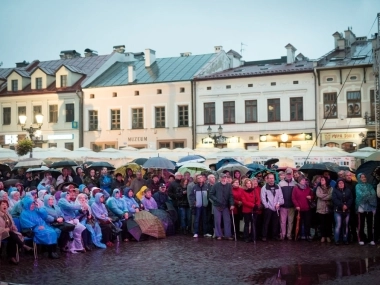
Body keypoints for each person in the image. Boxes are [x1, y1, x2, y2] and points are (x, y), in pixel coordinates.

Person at [0, 199, 33, 265]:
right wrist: (5, 229)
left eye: (6, 205)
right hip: (1, 234)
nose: (5, 206)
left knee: (12, 238)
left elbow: (12, 224)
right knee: (12, 235)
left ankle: (12, 257)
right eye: (3, 204)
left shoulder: (8, 214)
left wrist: (13, 227)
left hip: (9, 234)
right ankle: (23, 246)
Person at [209, 173, 234, 240]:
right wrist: (216, 200)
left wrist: (232, 204)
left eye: (225, 177)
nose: (224, 179)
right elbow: (211, 194)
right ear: (220, 178)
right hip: (217, 205)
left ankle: (228, 235)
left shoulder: (229, 186)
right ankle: (218, 235)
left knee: (227, 221)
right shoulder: (215, 185)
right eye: (222, 178)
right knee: (217, 221)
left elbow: (231, 196)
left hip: (225, 206)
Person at [261, 173, 284, 241]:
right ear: (267, 179)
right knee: (266, 222)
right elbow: (263, 199)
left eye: (272, 178)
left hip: (276, 207)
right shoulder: (264, 188)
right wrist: (267, 206)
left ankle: (275, 235)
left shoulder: (278, 187)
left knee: (275, 223)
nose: (271, 180)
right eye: (270, 178)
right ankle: (264, 236)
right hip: (268, 208)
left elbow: (281, 197)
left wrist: (278, 203)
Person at [356, 173, 377, 245]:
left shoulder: (369, 186)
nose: (364, 178)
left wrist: (366, 195)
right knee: (361, 224)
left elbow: (373, 194)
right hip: (361, 208)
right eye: (362, 177)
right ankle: (361, 239)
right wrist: (368, 194)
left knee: (370, 224)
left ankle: (370, 239)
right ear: (359, 178)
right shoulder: (357, 186)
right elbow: (360, 195)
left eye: (364, 177)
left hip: (370, 207)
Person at [292, 175, 314, 241]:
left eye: (304, 180)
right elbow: (293, 198)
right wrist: (297, 205)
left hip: (307, 208)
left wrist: (311, 197)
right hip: (299, 208)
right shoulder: (296, 188)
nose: (304, 181)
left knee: (307, 222)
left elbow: (312, 195)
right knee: (299, 222)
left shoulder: (308, 188)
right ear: (299, 181)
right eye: (302, 180)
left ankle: (307, 235)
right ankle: (298, 235)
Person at [332, 178, 353, 245]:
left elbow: (351, 198)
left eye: (342, 183)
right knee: (338, 225)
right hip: (338, 210)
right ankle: (337, 239)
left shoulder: (348, 190)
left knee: (346, 225)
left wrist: (347, 205)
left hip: (347, 210)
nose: (341, 184)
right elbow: (335, 199)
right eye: (339, 183)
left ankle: (345, 239)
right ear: (337, 184)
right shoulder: (335, 191)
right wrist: (342, 205)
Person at [278, 168, 295, 240]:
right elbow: (278, 195)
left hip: (292, 206)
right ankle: (283, 234)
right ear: (285, 174)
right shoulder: (280, 183)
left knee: (291, 221)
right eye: (287, 174)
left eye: (290, 174)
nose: (288, 175)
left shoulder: (295, 183)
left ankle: (289, 234)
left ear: (292, 174)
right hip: (283, 206)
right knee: (283, 221)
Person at [241, 179, 260, 243]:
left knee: (253, 224)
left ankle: (253, 236)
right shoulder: (243, 191)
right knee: (246, 224)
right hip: (246, 210)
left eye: (249, 183)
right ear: (245, 184)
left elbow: (258, 199)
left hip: (254, 210)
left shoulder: (254, 190)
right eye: (247, 183)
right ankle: (246, 237)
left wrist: (257, 205)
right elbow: (244, 201)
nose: (249, 184)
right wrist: (252, 205)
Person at [316, 177, 333, 243]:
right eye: (321, 180)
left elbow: (331, 196)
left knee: (328, 223)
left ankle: (328, 236)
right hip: (321, 208)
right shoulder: (318, 188)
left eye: (323, 180)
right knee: (322, 223)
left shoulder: (331, 188)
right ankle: (323, 236)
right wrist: (326, 196)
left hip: (328, 207)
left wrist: (323, 197)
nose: (321, 181)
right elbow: (318, 195)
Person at [344, 171, 358, 242]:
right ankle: (348, 236)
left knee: (354, 222)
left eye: (350, 175)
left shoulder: (355, 184)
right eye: (347, 175)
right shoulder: (343, 184)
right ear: (345, 176)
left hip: (354, 205)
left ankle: (355, 235)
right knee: (347, 222)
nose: (349, 176)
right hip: (346, 205)